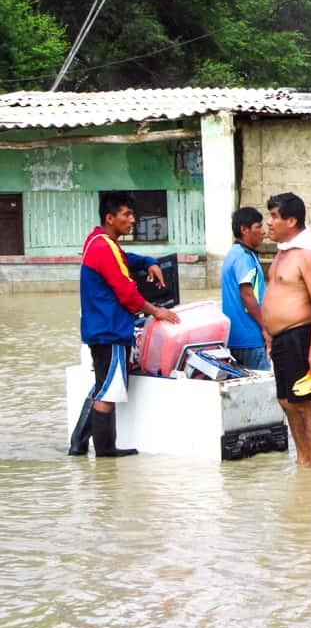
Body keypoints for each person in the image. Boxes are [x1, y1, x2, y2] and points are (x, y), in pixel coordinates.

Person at [69, 191, 180, 457]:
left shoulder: (98, 242)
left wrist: (149, 262)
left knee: (103, 386)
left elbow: (124, 260)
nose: (133, 220)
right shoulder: (104, 247)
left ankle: (79, 445)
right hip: (111, 331)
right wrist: (157, 312)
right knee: (109, 392)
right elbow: (128, 293)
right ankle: (106, 452)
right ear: (110, 218)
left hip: (101, 329)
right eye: (127, 215)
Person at [262, 192, 311, 468]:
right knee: (287, 401)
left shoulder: (307, 253)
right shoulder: (283, 252)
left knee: (306, 404)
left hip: (300, 337)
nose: (269, 222)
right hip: (280, 339)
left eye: (275, 216)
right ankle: (303, 459)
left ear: (291, 220)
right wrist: (268, 333)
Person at [221, 207, 271, 370]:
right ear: (244, 229)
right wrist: (265, 328)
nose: (263, 232)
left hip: (235, 338)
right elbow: (247, 295)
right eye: (258, 227)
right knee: (262, 391)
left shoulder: (235, 253)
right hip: (251, 338)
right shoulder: (243, 257)